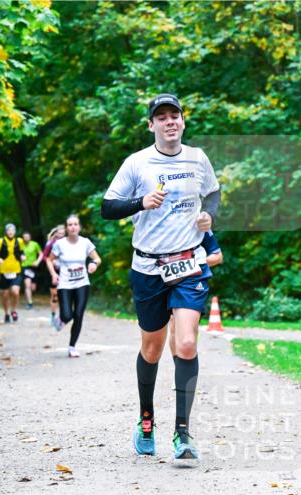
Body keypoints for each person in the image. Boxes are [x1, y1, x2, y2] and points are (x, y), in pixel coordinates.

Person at [101, 93, 221, 461]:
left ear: (183, 122)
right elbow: (108, 208)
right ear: (151, 125)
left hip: (188, 265)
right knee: (152, 349)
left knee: (185, 344)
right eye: (162, 117)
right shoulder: (137, 163)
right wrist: (141, 202)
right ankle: (146, 419)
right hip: (148, 268)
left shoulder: (198, 158)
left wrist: (208, 217)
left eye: (175, 116)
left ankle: (183, 433)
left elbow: (213, 194)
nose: (170, 122)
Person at [48, 214, 101, 358]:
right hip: (65, 284)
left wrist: (94, 264)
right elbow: (49, 259)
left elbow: (96, 257)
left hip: (82, 283)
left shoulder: (85, 243)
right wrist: (54, 274)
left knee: (78, 315)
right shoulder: (60, 244)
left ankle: (72, 347)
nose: (73, 227)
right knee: (67, 315)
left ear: (79, 227)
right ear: (66, 228)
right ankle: (61, 319)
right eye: (70, 224)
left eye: (75, 224)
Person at [168, 231, 223, 357]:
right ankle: (180, 364)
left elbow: (218, 257)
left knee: (187, 329)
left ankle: (186, 363)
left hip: (190, 281)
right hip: (160, 279)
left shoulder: (197, 223)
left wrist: (191, 263)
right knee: (173, 326)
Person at [0, 223, 25, 324]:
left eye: (12, 230)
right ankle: (6, 313)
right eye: (9, 230)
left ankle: (13, 310)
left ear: (15, 231)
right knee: (5, 295)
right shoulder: (0, 241)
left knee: (15, 292)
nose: (10, 232)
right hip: (4, 271)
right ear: (6, 231)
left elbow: (22, 252)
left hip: (16, 270)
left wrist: (23, 257)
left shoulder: (19, 241)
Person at [34, 225, 66, 328]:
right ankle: (53, 315)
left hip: (64, 272)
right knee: (55, 295)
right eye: (59, 233)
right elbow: (44, 257)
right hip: (52, 272)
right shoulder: (50, 244)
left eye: (63, 233)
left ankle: (62, 316)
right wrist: (54, 262)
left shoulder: (68, 243)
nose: (61, 235)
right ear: (56, 233)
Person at [20, 230, 42, 310]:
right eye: (24, 237)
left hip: (34, 267)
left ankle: (31, 296)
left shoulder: (35, 244)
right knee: (27, 285)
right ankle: (30, 302)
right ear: (23, 238)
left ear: (30, 237)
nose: (26, 238)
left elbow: (41, 254)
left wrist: (37, 261)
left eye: (27, 237)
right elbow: (16, 254)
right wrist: (20, 257)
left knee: (33, 288)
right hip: (25, 267)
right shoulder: (20, 245)